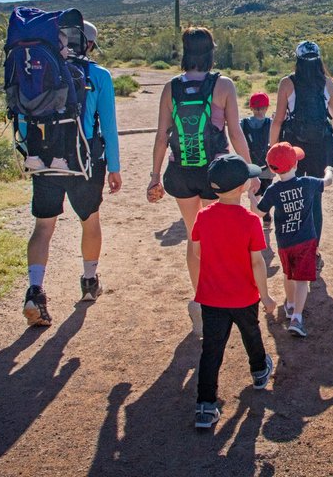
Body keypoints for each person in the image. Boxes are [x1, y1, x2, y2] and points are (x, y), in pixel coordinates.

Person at [145, 27, 255, 338]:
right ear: (210, 52)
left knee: (195, 236)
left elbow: (161, 136)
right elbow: (235, 132)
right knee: (217, 237)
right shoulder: (223, 86)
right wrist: (248, 169)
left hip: (181, 172)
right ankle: (218, 299)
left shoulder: (171, 88)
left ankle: (200, 302)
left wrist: (155, 177)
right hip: (214, 172)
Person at [22, 20, 121, 327]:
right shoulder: (99, 76)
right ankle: (89, 281)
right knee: (89, 221)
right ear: (88, 44)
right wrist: (114, 167)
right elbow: (108, 125)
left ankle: (35, 290)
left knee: (43, 227)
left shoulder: (39, 73)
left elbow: (26, 119)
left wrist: (32, 156)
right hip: (84, 161)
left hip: (46, 160)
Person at [191, 155, 277, 429]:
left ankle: (205, 405)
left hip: (212, 297)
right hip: (244, 297)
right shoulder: (250, 220)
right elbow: (257, 262)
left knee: (211, 350)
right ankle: (259, 371)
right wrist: (265, 296)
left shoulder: (203, 217)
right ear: (243, 187)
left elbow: (197, 251)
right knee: (251, 334)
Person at [257, 142, 333, 338]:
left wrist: (251, 195)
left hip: (284, 242)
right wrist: (328, 170)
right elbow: (327, 182)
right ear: (295, 165)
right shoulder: (307, 183)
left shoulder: (273, 190)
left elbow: (258, 212)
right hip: (306, 241)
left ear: (272, 168)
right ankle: (297, 318)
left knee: (288, 273)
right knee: (301, 281)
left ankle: (290, 305)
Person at [269, 41, 333, 243]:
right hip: (321, 146)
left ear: (298, 60)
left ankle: (294, 242)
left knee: (293, 192)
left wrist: (272, 148)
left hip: (295, 147)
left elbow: (278, 120)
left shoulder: (287, 83)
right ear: (318, 59)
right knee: (315, 197)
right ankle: (314, 249)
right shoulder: (327, 83)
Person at [240, 92, 274, 221]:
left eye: (261, 108)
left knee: (260, 193)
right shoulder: (269, 122)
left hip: (259, 167)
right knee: (260, 193)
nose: (260, 111)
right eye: (258, 108)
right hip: (259, 166)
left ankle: (259, 216)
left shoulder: (243, 123)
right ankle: (259, 216)